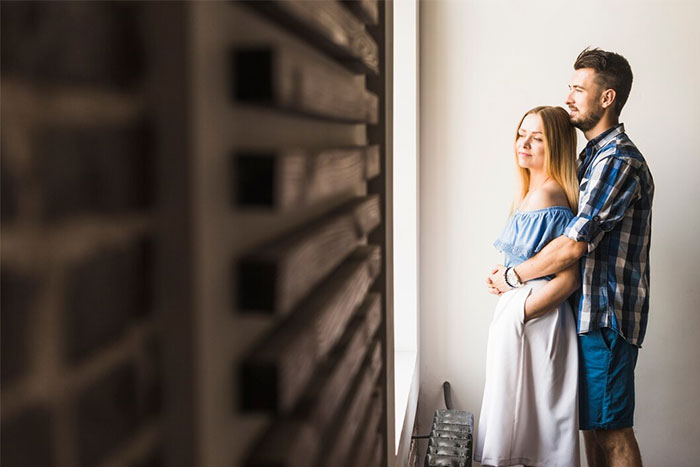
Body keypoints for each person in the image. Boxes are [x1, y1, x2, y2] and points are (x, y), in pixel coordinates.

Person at [488, 48, 654, 467]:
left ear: (607, 98)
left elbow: (575, 243)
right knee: (593, 431)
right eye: (570, 87)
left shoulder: (618, 160)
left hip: (607, 316)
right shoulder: (589, 158)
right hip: (585, 316)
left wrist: (512, 277)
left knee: (613, 431)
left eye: (579, 89)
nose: (570, 97)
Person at [475, 105, 581, 467]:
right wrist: (504, 281)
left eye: (537, 138)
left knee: (535, 428)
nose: (525, 143)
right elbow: (526, 264)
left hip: (539, 323)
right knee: (530, 427)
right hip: (528, 319)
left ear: (556, 146)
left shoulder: (547, 197)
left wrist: (518, 310)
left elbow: (568, 279)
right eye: (521, 134)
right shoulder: (531, 194)